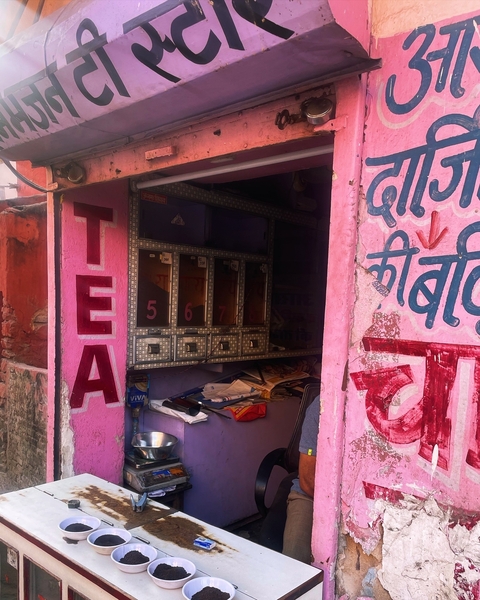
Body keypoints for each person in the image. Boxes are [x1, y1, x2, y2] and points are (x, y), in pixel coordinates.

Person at [282, 394, 320, 563]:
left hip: (358, 503)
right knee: (294, 566)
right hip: (311, 494)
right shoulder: (322, 405)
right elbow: (308, 481)